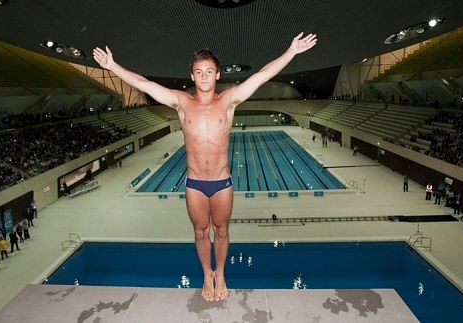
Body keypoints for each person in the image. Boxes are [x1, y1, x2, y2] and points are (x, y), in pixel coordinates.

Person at [93, 32, 317, 301]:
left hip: (222, 183)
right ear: (192, 76)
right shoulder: (181, 103)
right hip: (195, 184)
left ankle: (220, 272)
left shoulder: (229, 101)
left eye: (209, 71)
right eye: (199, 72)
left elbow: (262, 75)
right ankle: (206, 274)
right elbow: (145, 83)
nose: (204, 77)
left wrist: (291, 51)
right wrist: (112, 66)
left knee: (222, 231)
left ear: (218, 75)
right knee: (200, 233)